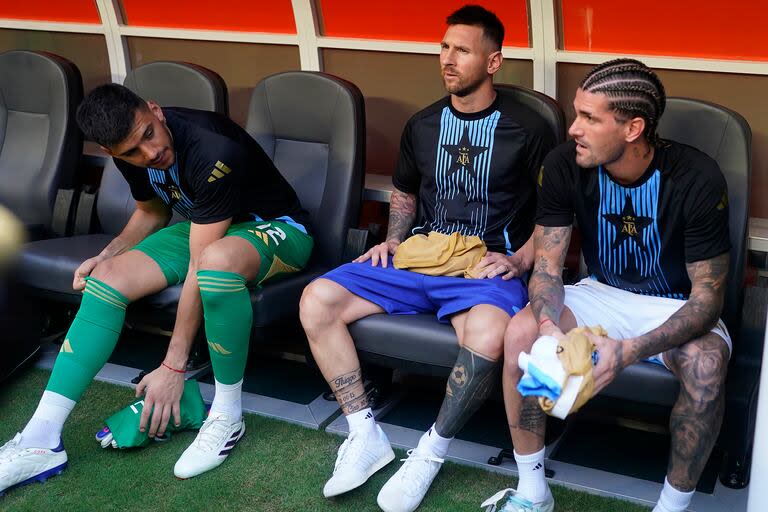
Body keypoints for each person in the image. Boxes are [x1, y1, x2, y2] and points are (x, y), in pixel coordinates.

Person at [299, 5, 555, 512]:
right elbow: (404, 193)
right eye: (444, 47)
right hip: (419, 255)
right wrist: (392, 239)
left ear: (494, 60)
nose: (447, 59)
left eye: (461, 49)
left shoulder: (528, 129)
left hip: (484, 267)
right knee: (317, 300)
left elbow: (556, 214)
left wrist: (522, 260)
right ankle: (364, 433)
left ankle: (429, 453)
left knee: (486, 335)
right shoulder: (422, 124)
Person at [0, 84, 313, 493]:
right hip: (204, 228)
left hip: (276, 230)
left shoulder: (211, 148)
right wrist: (109, 253)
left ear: (155, 110)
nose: (148, 154)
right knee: (107, 279)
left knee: (216, 266)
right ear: (114, 153)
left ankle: (227, 415)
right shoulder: (129, 150)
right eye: (131, 152)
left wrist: (172, 368)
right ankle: (41, 439)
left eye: (148, 134)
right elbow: (152, 210)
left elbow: (203, 263)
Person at [488, 59, 731, 512]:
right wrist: (546, 327)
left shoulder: (697, 177)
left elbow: (707, 300)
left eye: (590, 118)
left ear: (633, 128)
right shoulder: (564, 164)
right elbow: (546, 267)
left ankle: (672, 506)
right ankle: (531, 490)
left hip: (673, 304)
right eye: (576, 113)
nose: (574, 128)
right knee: (520, 332)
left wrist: (628, 351)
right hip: (601, 292)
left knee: (706, 368)